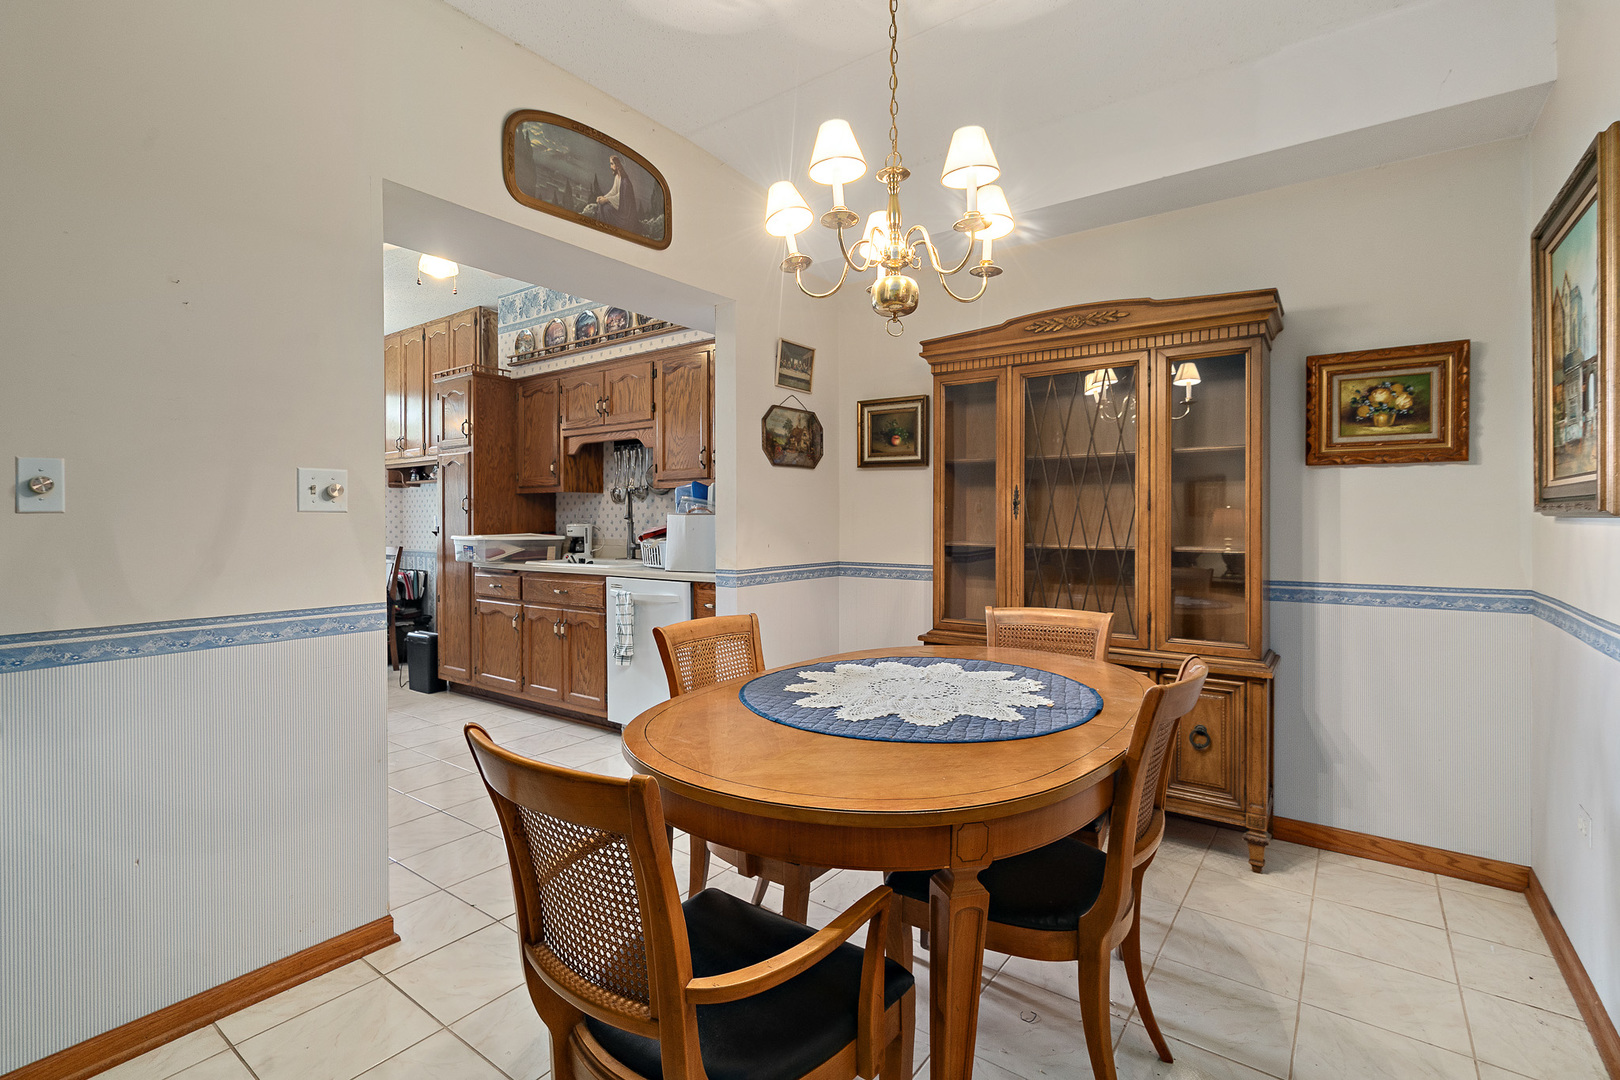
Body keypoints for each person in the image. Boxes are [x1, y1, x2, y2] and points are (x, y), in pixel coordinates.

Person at [587, 155, 639, 233]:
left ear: (617, 165)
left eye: (612, 164)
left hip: (625, 214)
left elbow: (621, 197)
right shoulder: (617, 177)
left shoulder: (625, 182)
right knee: (602, 205)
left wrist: (606, 200)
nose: (610, 166)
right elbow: (613, 191)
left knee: (606, 209)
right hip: (619, 207)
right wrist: (603, 197)